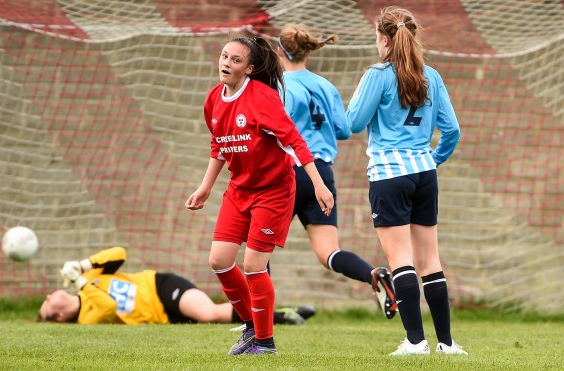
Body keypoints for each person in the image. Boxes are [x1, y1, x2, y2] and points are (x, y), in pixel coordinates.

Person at [185, 35, 334, 355]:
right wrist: (205, 187)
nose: (226, 63)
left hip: (274, 191)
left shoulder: (263, 98)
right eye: (224, 56)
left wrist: (319, 184)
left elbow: (294, 141)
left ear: (249, 69)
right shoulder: (213, 99)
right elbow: (219, 145)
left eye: (235, 60)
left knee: (254, 264)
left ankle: (265, 342)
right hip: (239, 189)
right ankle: (252, 327)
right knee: (220, 261)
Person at [346, 6, 466, 356]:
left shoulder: (378, 74)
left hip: (389, 175)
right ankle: (447, 343)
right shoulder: (432, 75)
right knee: (431, 260)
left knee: (401, 259)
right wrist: (432, 160)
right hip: (424, 173)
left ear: (384, 40)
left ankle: (416, 342)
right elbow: (452, 131)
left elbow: (354, 123)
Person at [276, 23, 398, 319]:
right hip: (322, 174)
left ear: (279, 51)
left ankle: (256, 322)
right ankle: (374, 274)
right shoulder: (325, 86)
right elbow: (344, 130)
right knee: (328, 252)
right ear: (307, 51)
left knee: (258, 249)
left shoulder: (280, 86)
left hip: (289, 172)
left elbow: (277, 130)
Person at [38, 246, 316, 325]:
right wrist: (81, 282)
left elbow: (119, 253)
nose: (51, 294)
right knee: (215, 313)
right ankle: (279, 312)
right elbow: (107, 305)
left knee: (209, 313)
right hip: (163, 316)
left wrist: (84, 266)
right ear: (60, 317)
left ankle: (283, 317)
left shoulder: (93, 277)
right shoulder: (88, 318)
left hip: (160, 285)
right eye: (48, 303)